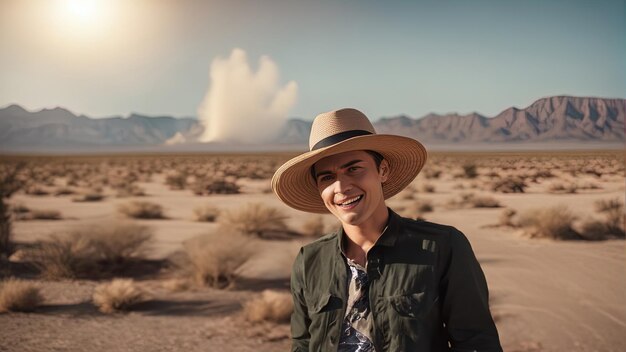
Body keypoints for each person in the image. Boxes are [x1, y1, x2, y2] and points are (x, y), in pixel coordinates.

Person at [271, 108, 502, 352]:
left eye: (354, 169)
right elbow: (302, 343)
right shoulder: (310, 260)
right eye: (327, 177)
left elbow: (476, 342)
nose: (341, 187)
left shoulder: (442, 247)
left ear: (383, 170)